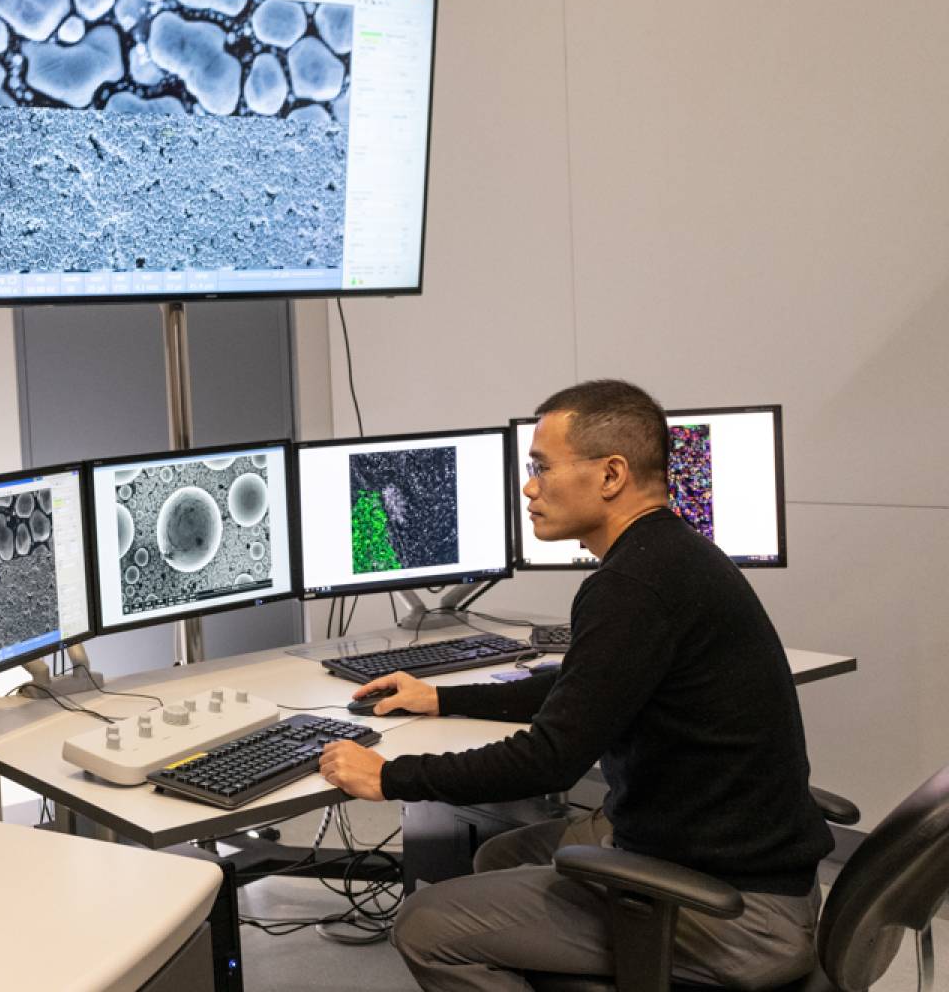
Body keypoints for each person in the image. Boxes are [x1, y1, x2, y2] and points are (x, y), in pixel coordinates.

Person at [316, 380, 832, 990]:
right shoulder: (669, 554)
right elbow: (587, 686)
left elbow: (550, 761)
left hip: (738, 915)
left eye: (541, 467)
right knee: (500, 855)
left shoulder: (631, 586)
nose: (529, 487)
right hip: (747, 869)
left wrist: (389, 778)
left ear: (611, 475)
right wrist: (445, 697)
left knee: (424, 925)